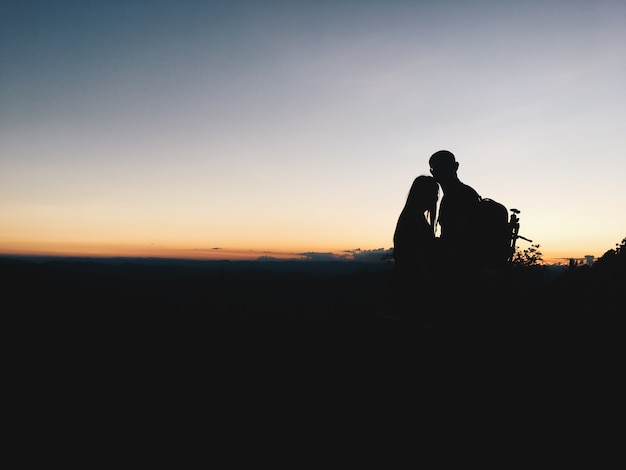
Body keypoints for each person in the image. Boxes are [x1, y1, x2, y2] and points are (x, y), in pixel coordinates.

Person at [392, 175, 440, 320]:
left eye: (436, 194)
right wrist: (432, 283)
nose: (435, 198)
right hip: (413, 286)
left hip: (408, 283)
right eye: (431, 193)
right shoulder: (413, 218)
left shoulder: (413, 216)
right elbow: (417, 255)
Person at [428, 150, 481, 268]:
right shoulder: (466, 193)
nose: (442, 172)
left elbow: (456, 240)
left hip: (461, 268)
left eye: (443, 167)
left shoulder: (457, 197)